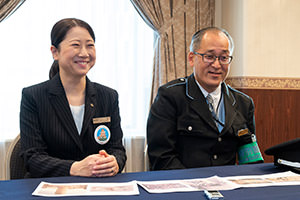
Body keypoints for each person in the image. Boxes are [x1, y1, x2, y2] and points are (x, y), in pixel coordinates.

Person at [20, 18, 126, 178]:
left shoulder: (108, 96)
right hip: (52, 186)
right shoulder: (33, 96)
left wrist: (114, 162)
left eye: (90, 45)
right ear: (55, 52)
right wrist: (75, 168)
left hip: (98, 186)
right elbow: (32, 158)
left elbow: (117, 149)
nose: (84, 53)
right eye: (76, 45)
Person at [147, 27, 264, 170]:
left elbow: (249, 156)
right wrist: (196, 184)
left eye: (224, 58)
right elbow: (162, 157)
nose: (216, 65)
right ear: (192, 58)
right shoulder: (170, 97)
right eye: (209, 56)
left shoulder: (243, 103)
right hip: (184, 186)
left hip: (228, 187)